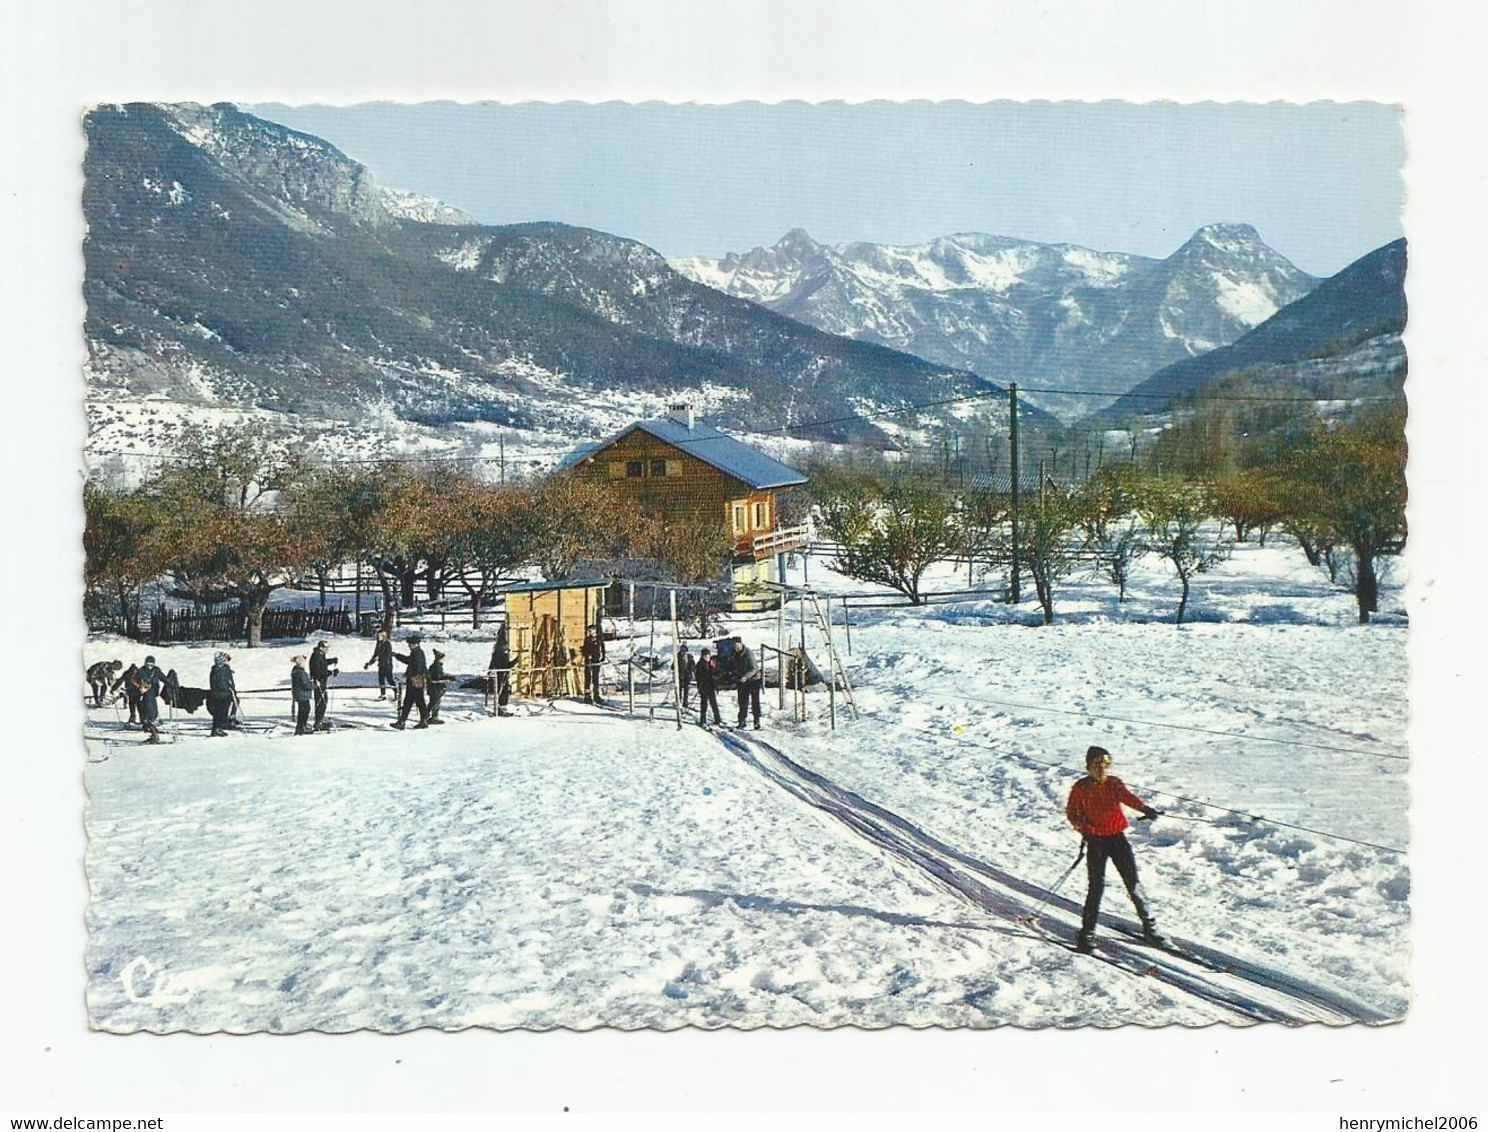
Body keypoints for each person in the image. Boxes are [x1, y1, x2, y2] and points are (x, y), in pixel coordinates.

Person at [1065, 745, 1165, 953]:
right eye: (1097, 765)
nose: (1102, 769)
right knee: (1096, 887)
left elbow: (1128, 797)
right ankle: (1087, 932)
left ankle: (1150, 927)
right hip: (1096, 842)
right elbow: (1073, 813)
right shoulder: (1081, 788)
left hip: (1117, 839)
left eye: (1106, 765)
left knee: (1133, 883)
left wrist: (1145, 809)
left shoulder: (1113, 784)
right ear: (1088, 766)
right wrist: (1085, 830)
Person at [391, 633, 429, 730]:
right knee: (419, 701)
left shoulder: (417, 653)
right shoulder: (417, 652)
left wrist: (412, 676)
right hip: (418, 681)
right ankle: (423, 720)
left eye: (410, 644)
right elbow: (408, 660)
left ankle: (402, 722)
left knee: (409, 701)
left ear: (416, 644)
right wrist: (397, 655)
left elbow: (418, 668)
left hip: (414, 681)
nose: (409, 646)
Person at [733, 635, 762, 730]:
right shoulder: (735, 654)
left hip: (753, 680)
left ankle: (756, 721)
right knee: (742, 701)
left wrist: (745, 676)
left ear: (741, 644)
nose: (735, 647)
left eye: (736, 645)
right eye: (734, 645)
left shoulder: (749, 653)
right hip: (742, 681)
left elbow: (754, 668)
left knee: (755, 702)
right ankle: (742, 721)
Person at [309, 640, 338, 731]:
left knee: (324, 701)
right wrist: (331, 672)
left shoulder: (320, 655)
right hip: (318, 682)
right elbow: (318, 671)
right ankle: (318, 723)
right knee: (321, 703)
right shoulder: (316, 656)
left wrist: (331, 660)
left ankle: (320, 720)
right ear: (321, 647)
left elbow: (323, 663)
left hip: (322, 682)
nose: (327, 649)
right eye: (326, 647)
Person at [135, 655, 165, 744]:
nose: (149, 667)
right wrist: (140, 686)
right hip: (143, 696)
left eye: (151, 665)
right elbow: (134, 680)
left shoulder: (156, 670)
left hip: (152, 694)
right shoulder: (141, 670)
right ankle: (153, 734)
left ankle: (154, 735)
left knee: (150, 715)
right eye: (147, 664)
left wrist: (172, 685)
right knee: (146, 716)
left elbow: (163, 678)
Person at [207, 651, 237, 737]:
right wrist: (217, 692)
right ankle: (216, 729)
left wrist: (232, 689)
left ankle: (223, 724)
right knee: (218, 712)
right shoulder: (215, 670)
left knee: (225, 710)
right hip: (219, 694)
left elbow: (230, 680)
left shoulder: (226, 668)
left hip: (227, 693)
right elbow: (214, 684)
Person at [694, 647, 723, 729]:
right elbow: (698, 676)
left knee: (714, 703)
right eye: (705, 656)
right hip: (703, 686)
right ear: (702, 656)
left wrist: (714, 670)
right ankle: (703, 720)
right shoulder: (700, 664)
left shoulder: (711, 664)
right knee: (704, 704)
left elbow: (717, 673)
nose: (707, 657)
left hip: (711, 686)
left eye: (708, 655)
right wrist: (700, 684)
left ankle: (717, 719)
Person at [364, 629, 395, 699]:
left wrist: (379, 657)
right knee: (381, 680)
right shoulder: (378, 644)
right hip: (381, 665)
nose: (378, 637)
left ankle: (396, 691)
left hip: (387, 665)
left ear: (384, 636)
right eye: (378, 636)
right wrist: (369, 663)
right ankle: (383, 694)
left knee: (390, 679)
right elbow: (375, 654)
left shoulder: (387, 643)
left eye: (380, 636)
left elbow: (387, 654)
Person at [489, 627, 512, 716]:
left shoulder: (498, 650)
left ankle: (500, 708)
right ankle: (499, 709)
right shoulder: (500, 652)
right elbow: (505, 665)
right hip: (500, 674)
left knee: (502, 691)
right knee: (501, 692)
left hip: (502, 673)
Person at [427, 648, 452, 724]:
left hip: (433, 688)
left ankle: (430, 716)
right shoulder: (437, 667)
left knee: (433, 702)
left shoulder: (435, 666)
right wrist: (448, 678)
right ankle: (431, 717)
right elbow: (438, 678)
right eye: (443, 659)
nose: (444, 660)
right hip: (436, 688)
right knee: (434, 703)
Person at [581, 628, 605, 706]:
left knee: (596, 677)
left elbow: (602, 648)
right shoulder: (587, 639)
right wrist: (587, 655)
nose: (591, 632)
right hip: (589, 660)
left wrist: (603, 657)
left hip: (596, 659)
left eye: (593, 630)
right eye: (590, 631)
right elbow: (584, 649)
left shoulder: (599, 639)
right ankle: (587, 696)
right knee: (588, 677)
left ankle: (596, 695)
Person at [290, 655, 313, 736]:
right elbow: (305, 684)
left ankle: (301, 727)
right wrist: (314, 685)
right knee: (304, 710)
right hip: (302, 694)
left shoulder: (295, 671)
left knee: (303, 710)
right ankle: (301, 727)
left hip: (299, 694)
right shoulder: (301, 673)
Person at [676, 645, 695, 710]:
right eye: (682, 650)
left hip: (687, 675)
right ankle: (679, 700)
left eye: (684, 651)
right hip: (679, 675)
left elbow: (693, 666)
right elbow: (673, 666)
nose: (683, 652)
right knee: (679, 689)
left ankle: (685, 702)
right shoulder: (677, 657)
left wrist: (691, 669)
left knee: (686, 689)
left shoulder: (689, 657)